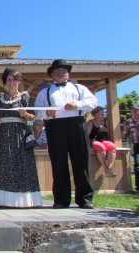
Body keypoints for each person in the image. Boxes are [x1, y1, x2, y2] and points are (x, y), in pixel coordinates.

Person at [35, 59, 97, 209]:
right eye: (57, 71)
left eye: (63, 71)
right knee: (58, 162)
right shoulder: (45, 92)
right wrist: (46, 113)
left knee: (81, 161)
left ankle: (84, 199)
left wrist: (77, 104)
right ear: (52, 76)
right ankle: (61, 200)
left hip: (77, 124)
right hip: (55, 127)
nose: (60, 73)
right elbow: (37, 111)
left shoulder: (79, 88)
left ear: (68, 74)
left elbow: (93, 102)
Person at [0, 68, 42, 208]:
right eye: (9, 80)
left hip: (19, 134)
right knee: (4, 165)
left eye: (14, 79)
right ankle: (3, 200)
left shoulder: (24, 97)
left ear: (18, 81)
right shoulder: (0, 98)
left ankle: (22, 199)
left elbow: (33, 120)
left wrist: (26, 115)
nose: (11, 82)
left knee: (21, 164)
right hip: (3, 135)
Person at [87, 106, 117, 178]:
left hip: (104, 140)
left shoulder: (106, 121)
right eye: (102, 113)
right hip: (94, 140)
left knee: (112, 146)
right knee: (101, 147)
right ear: (96, 114)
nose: (104, 114)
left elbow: (110, 132)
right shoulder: (91, 122)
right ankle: (105, 169)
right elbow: (87, 135)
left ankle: (110, 168)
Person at [123, 104, 139, 193]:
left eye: (136, 110)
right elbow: (123, 134)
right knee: (137, 166)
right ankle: (138, 187)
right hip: (137, 146)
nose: (134, 113)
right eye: (132, 111)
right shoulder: (128, 122)